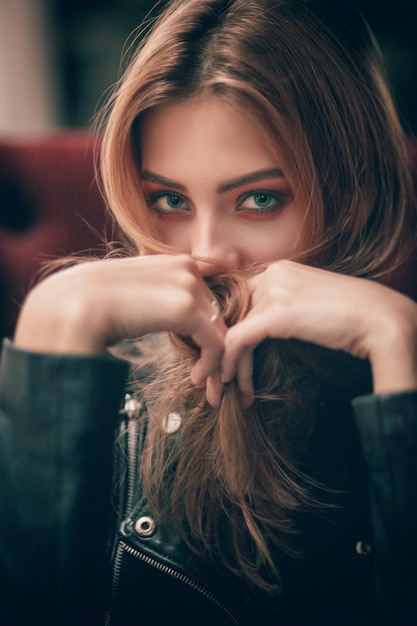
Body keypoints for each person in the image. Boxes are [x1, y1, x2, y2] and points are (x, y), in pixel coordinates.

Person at [0, 0, 416, 624]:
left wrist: (399, 343)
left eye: (257, 199)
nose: (207, 254)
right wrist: (54, 324)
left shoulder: (396, 365)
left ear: (352, 190)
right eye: (168, 198)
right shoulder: (82, 371)